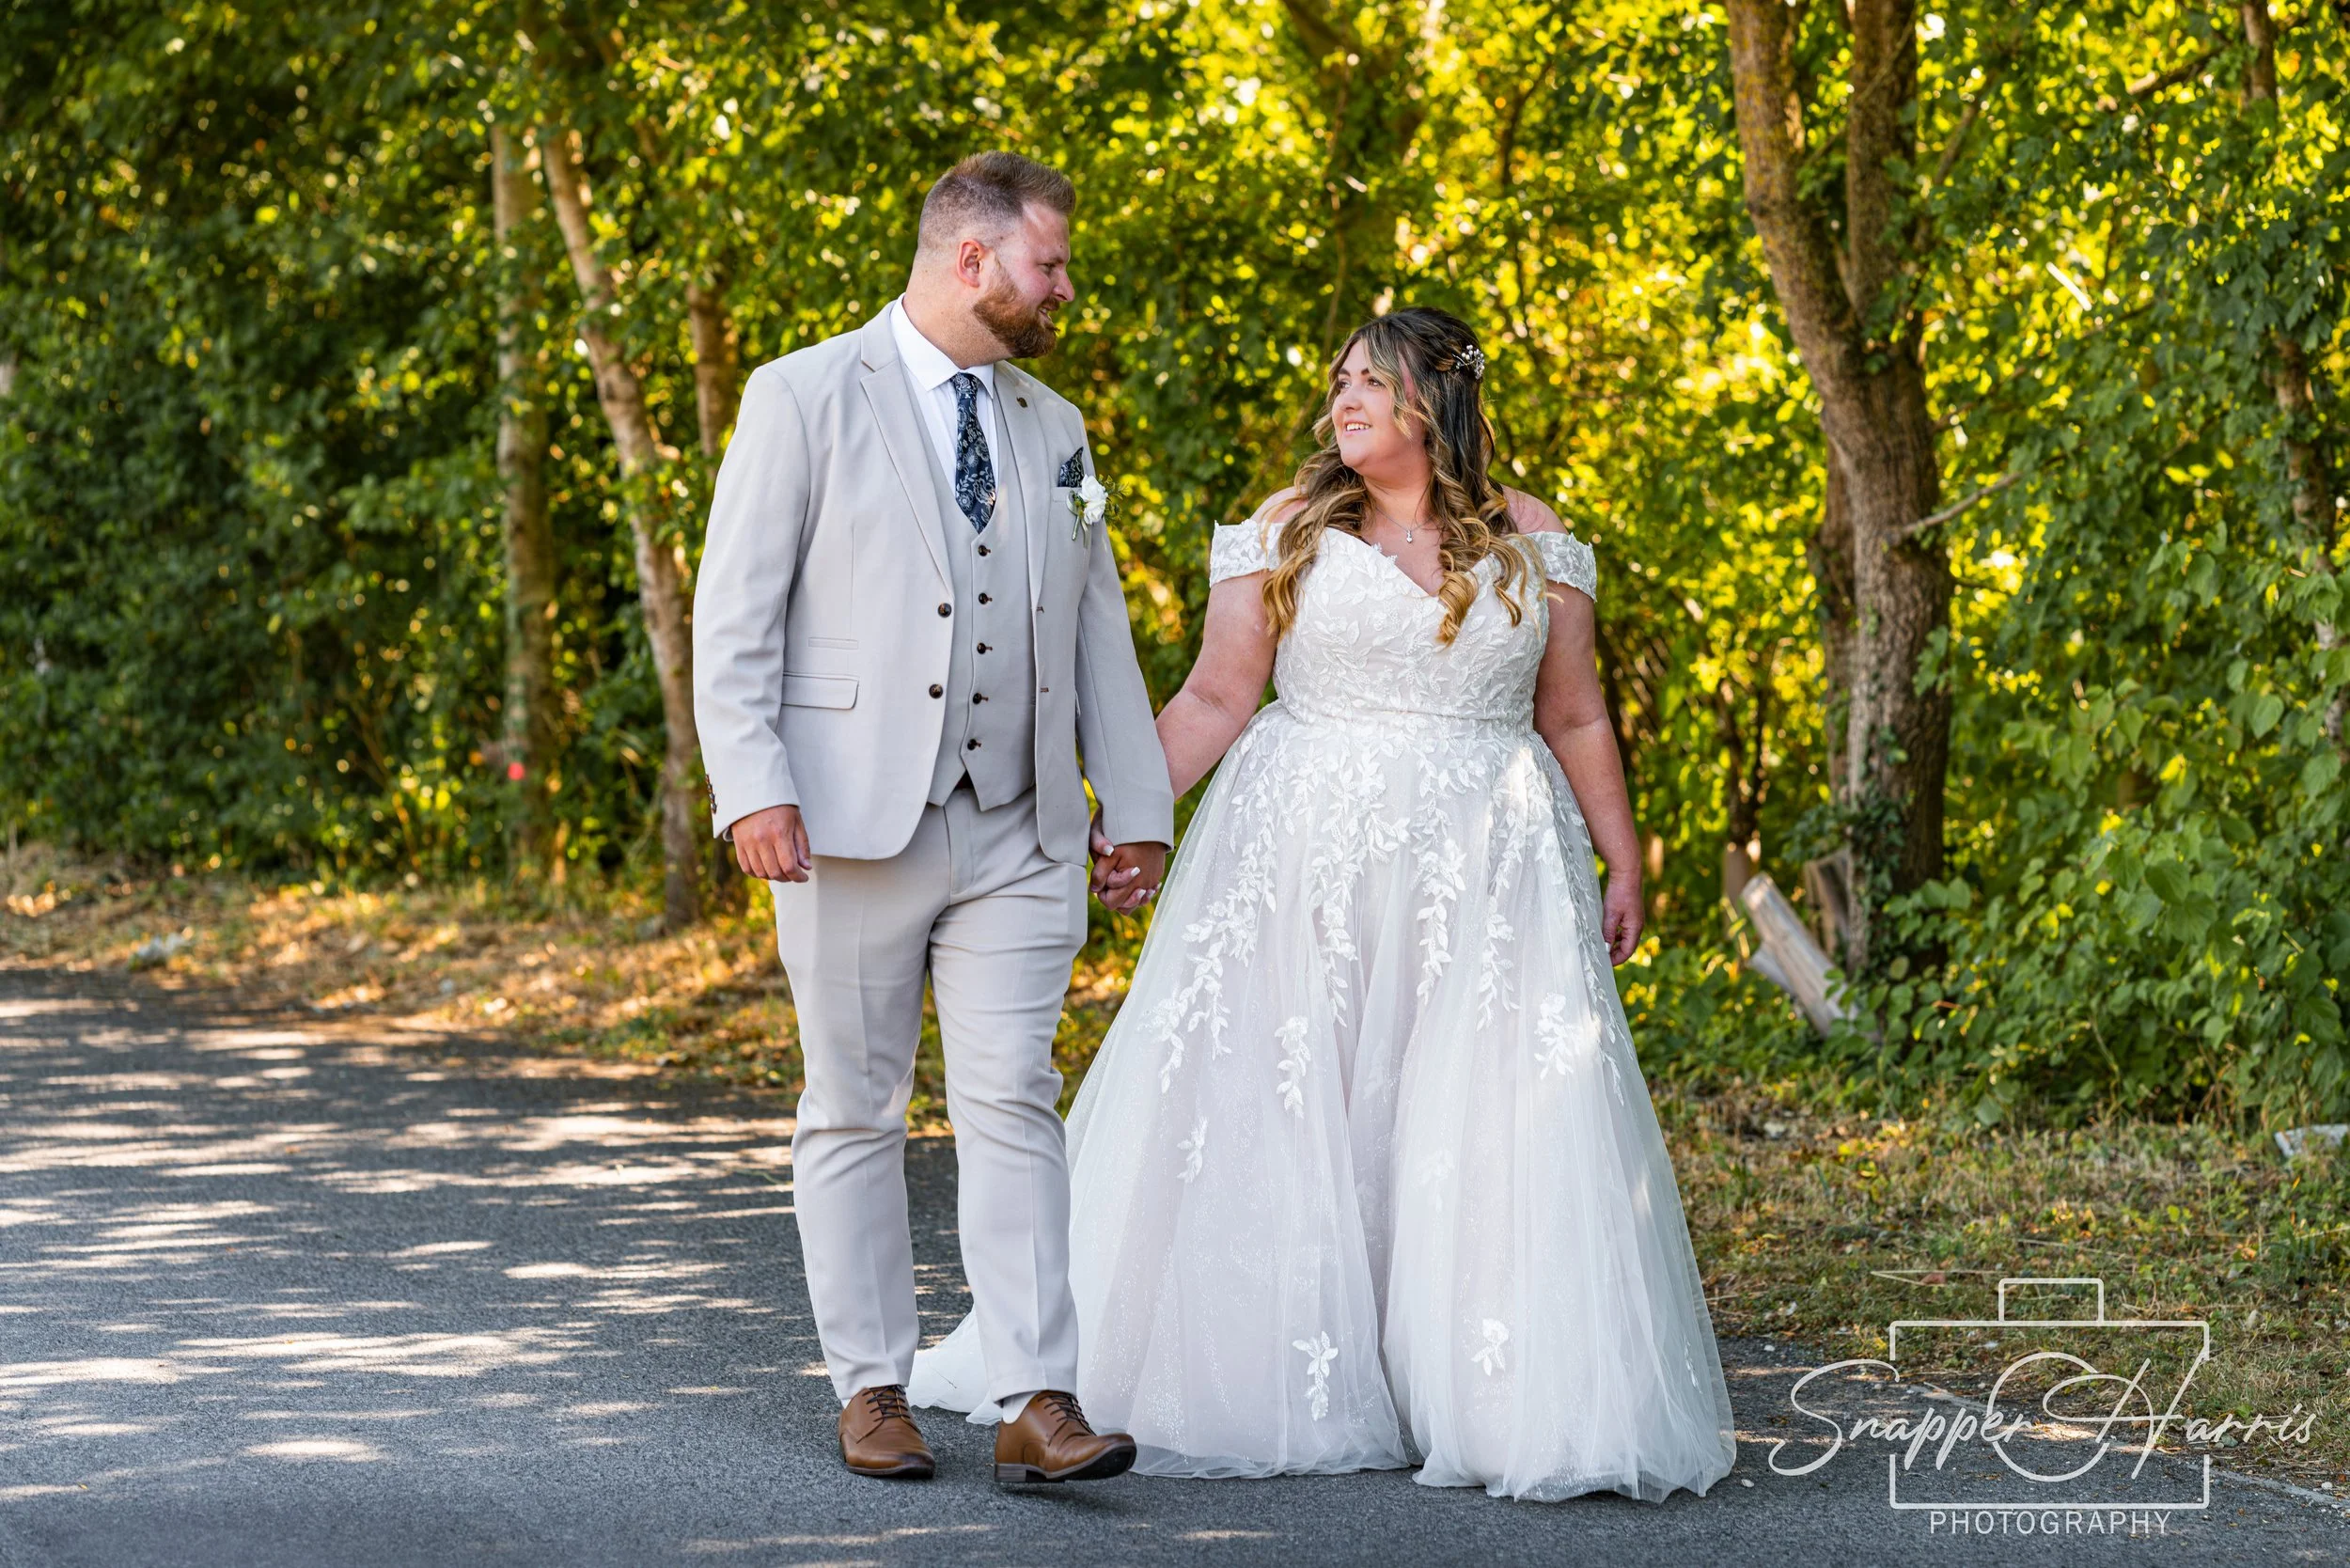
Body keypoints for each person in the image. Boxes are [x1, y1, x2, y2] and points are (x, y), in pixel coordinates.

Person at [915, 306, 1737, 1502]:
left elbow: (1574, 715)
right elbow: (1211, 697)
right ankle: (1267, 1364)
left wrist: (1625, 859)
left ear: (1435, 403)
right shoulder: (1284, 534)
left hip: (1490, 863)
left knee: (1479, 1111)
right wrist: (1120, 817)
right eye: (1340, 382)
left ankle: (1483, 1389)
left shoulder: (1535, 539)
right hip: (1299, 854)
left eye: (1371, 384)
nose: (1341, 403)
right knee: (1293, 1100)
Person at [693, 151, 1173, 1484]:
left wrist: (1133, 804)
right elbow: (733, 616)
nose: (1064, 287)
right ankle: (874, 1387)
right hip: (845, 822)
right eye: (1049, 265)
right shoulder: (798, 397)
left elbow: (1098, 626)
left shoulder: (1056, 426)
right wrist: (756, 788)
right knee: (852, 1105)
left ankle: (1034, 1392)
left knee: (1017, 1097)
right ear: (974, 263)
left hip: (1016, 828)